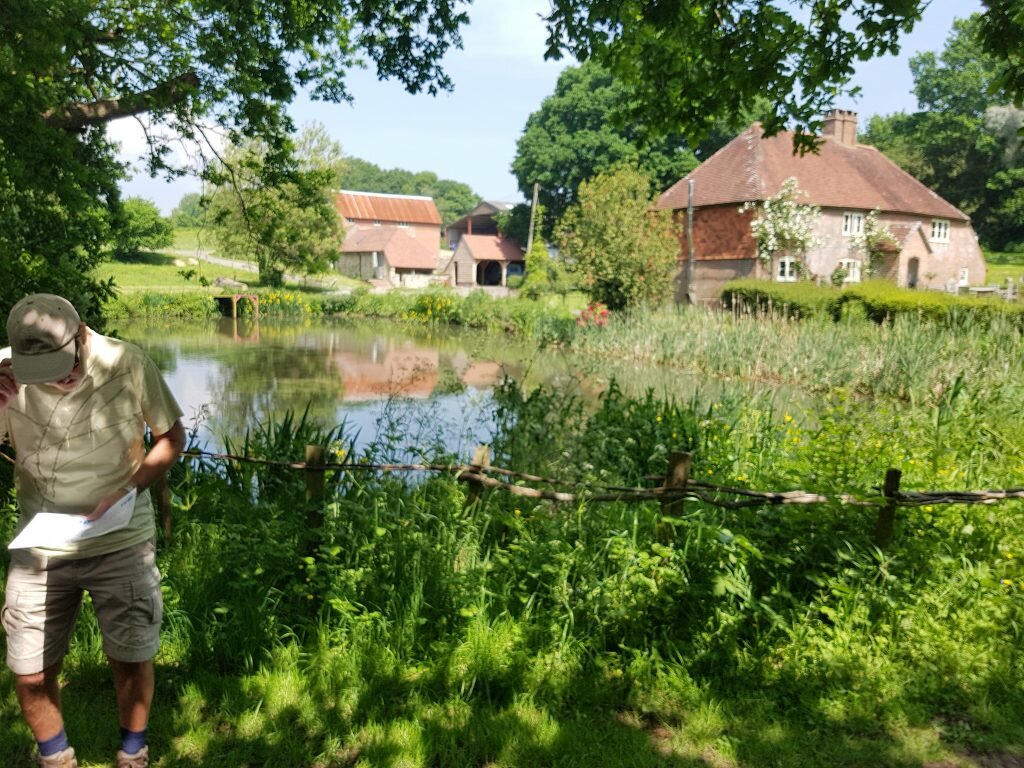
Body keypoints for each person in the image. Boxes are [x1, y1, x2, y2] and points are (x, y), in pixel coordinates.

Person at [0, 294, 185, 768]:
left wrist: (131, 487)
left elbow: (171, 438)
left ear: (81, 336)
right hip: (41, 542)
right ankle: (57, 759)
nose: (59, 378)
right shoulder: (3, 373)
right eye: (43, 370)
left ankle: (132, 754)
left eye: (63, 364)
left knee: (130, 656)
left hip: (120, 537)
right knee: (29, 671)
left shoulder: (126, 362)